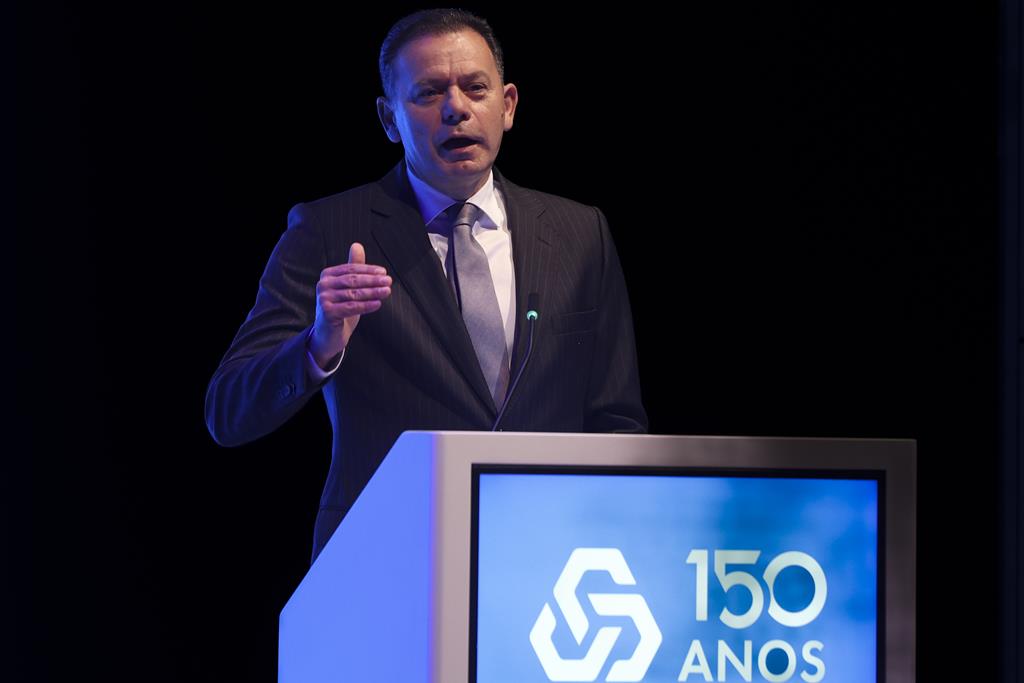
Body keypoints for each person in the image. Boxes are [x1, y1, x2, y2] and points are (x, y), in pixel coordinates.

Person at [204, 8, 647, 563]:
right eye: (429, 93)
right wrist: (320, 344)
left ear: (508, 105)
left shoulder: (580, 233)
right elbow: (229, 412)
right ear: (389, 118)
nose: (456, 108)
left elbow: (616, 421)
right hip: (389, 557)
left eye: (476, 89)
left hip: (549, 557)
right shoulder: (329, 231)